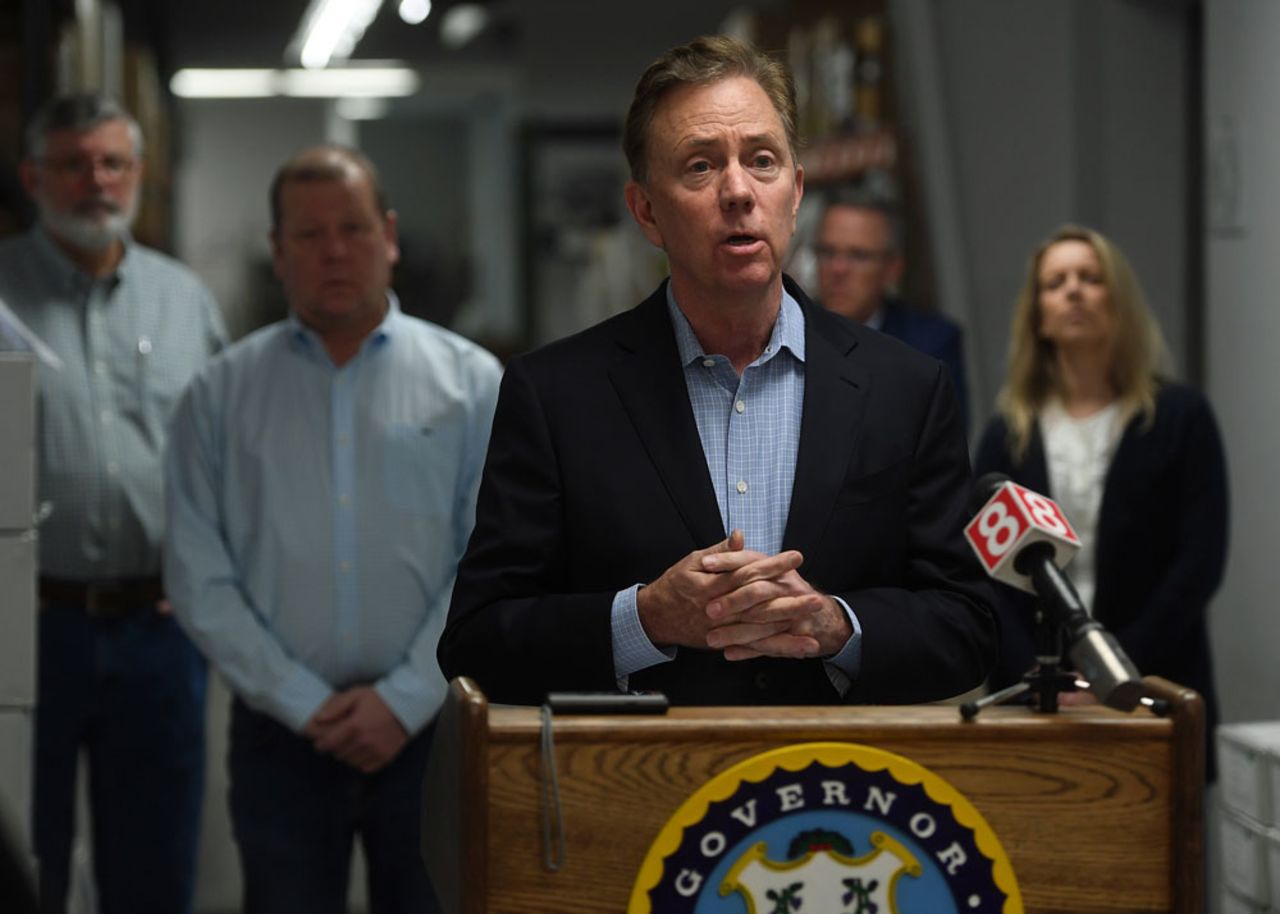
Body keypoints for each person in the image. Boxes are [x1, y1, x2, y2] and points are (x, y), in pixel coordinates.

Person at [439, 36, 995, 707]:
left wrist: (835, 625)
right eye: (700, 167)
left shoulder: (905, 388)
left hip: (838, 794)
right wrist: (645, 620)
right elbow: (477, 642)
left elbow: (968, 627)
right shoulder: (557, 395)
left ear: (795, 192)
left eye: (761, 161)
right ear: (646, 211)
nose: (738, 191)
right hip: (636, 795)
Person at [163, 145, 501, 913]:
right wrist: (300, 700)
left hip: (431, 731)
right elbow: (197, 572)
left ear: (388, 235)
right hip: (282, 736)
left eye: (351, 228)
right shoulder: (218, 397)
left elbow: (489, 558)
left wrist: (406, 697)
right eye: (309, 236)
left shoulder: (474, 384)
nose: (334, 251)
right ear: (277, 253)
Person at [0, 93, 226, 914]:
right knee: (27, 857)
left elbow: (219, 454)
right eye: (72, 163)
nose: (94, 180)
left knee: (153, 860)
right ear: (33, 177)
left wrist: (205, 566)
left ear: (137, 173)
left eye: (112, 162)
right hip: (23, 626)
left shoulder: (184, 301)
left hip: (156, 628)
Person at [974, 224, 1228, 778]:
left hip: (1157, 683)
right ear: (1038, 313)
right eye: (1056, 282)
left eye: (1091, 278)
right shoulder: (1007, 435)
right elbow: (984, 579)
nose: (1074, 291)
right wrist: (1045, 679)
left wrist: (1114, 673)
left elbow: (1198, 564)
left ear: (1119, 301)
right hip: (1036, 697)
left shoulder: (1181, 418)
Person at [813, 188, 970, 427]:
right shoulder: (794, 337)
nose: (838, 270)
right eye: (827, 252)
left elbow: (945, 445)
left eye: (858, 256)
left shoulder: (928, 346)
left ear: (892, 269)